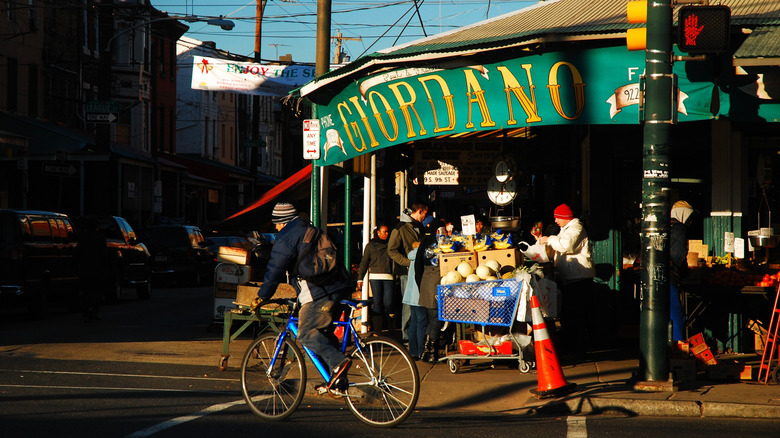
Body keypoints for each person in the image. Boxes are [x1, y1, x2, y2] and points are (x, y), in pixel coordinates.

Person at [252, 202, 355, 394]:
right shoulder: (309, 229)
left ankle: (340, 363)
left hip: (318, 292)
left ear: (282, 222)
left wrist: (262, 295)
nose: (276, 227)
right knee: (323, 336)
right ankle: (338, 382)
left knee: (306, 334)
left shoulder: (287, 236)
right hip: (339, 286)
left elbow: (275, 268)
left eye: (277, 223)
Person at [537, 203, 595, 356]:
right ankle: (573, 346)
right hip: (570, 279)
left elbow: (566, 246)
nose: (555, 220)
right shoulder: (566, 229)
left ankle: (577, 349)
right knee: (570, 315)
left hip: (579, 279)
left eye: (557, 217)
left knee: (575, 316)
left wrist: (549, 239)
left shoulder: (576, 228)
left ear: (564, 217)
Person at [387, 202, 428, 343]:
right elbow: (391, 249)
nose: (425, 217)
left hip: (419, 269)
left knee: (417, 303)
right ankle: (406, 336)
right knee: (409, 304)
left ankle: (415, 337)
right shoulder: (400, 228)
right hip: (406, 271)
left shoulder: (419, 227)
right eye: (425, 214)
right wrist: (408, 262)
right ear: (420, 211)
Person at [357, 224, 395, 334]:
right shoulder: (371, 246)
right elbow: (364, 262)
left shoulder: (391, 244)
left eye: (388, 231)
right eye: (384, 231)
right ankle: (378, 331)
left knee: (388, 302)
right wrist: (360, 278)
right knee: (377, 303)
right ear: (378, 232)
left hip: (389, 276)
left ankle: (391, 326)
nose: (386, 234)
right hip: (375, 277)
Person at [670, 200, 694, 342]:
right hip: (668, 276)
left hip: (653, 276)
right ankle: (678, 347)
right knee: (676, 313)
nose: (690, 222)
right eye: (689, 218)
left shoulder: (664, 225)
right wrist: (685, 272)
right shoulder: (679, 228)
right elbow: (678, 255)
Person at [77, 218, 107, 322]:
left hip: (85, 269)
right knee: (96, 292)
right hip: (97, 270)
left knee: (86, 292)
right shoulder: (100, 238)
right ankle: (93, 311)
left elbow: (77, 253)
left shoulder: (83, 238)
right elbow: (104, 255)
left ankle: (86, 310)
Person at [402, 241, 426, 360]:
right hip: (419, 296)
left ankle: (413, 351)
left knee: (414, 323)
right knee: (421, 323)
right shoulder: (423, 256)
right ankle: (421, 351)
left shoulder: (411, 257)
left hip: (410, 296)